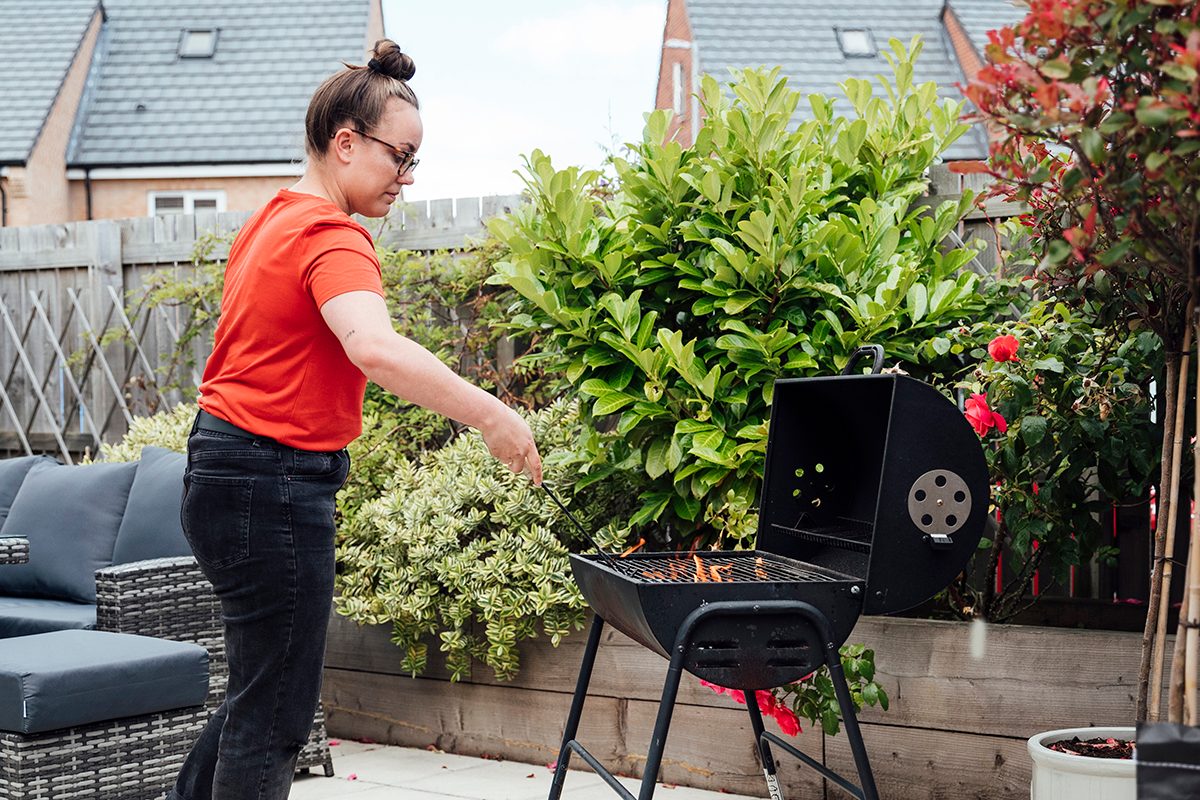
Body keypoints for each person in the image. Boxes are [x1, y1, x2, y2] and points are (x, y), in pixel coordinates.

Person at [167, 39, 542, 800]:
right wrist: (495, 418)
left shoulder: (271, 219)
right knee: (275, 714)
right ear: (346, 143)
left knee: (257, 690)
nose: (406, 178)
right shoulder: (332, 236)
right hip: (269, 487)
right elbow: (375, 348)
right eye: (398, 157)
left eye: (414, 162)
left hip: (222, 472)